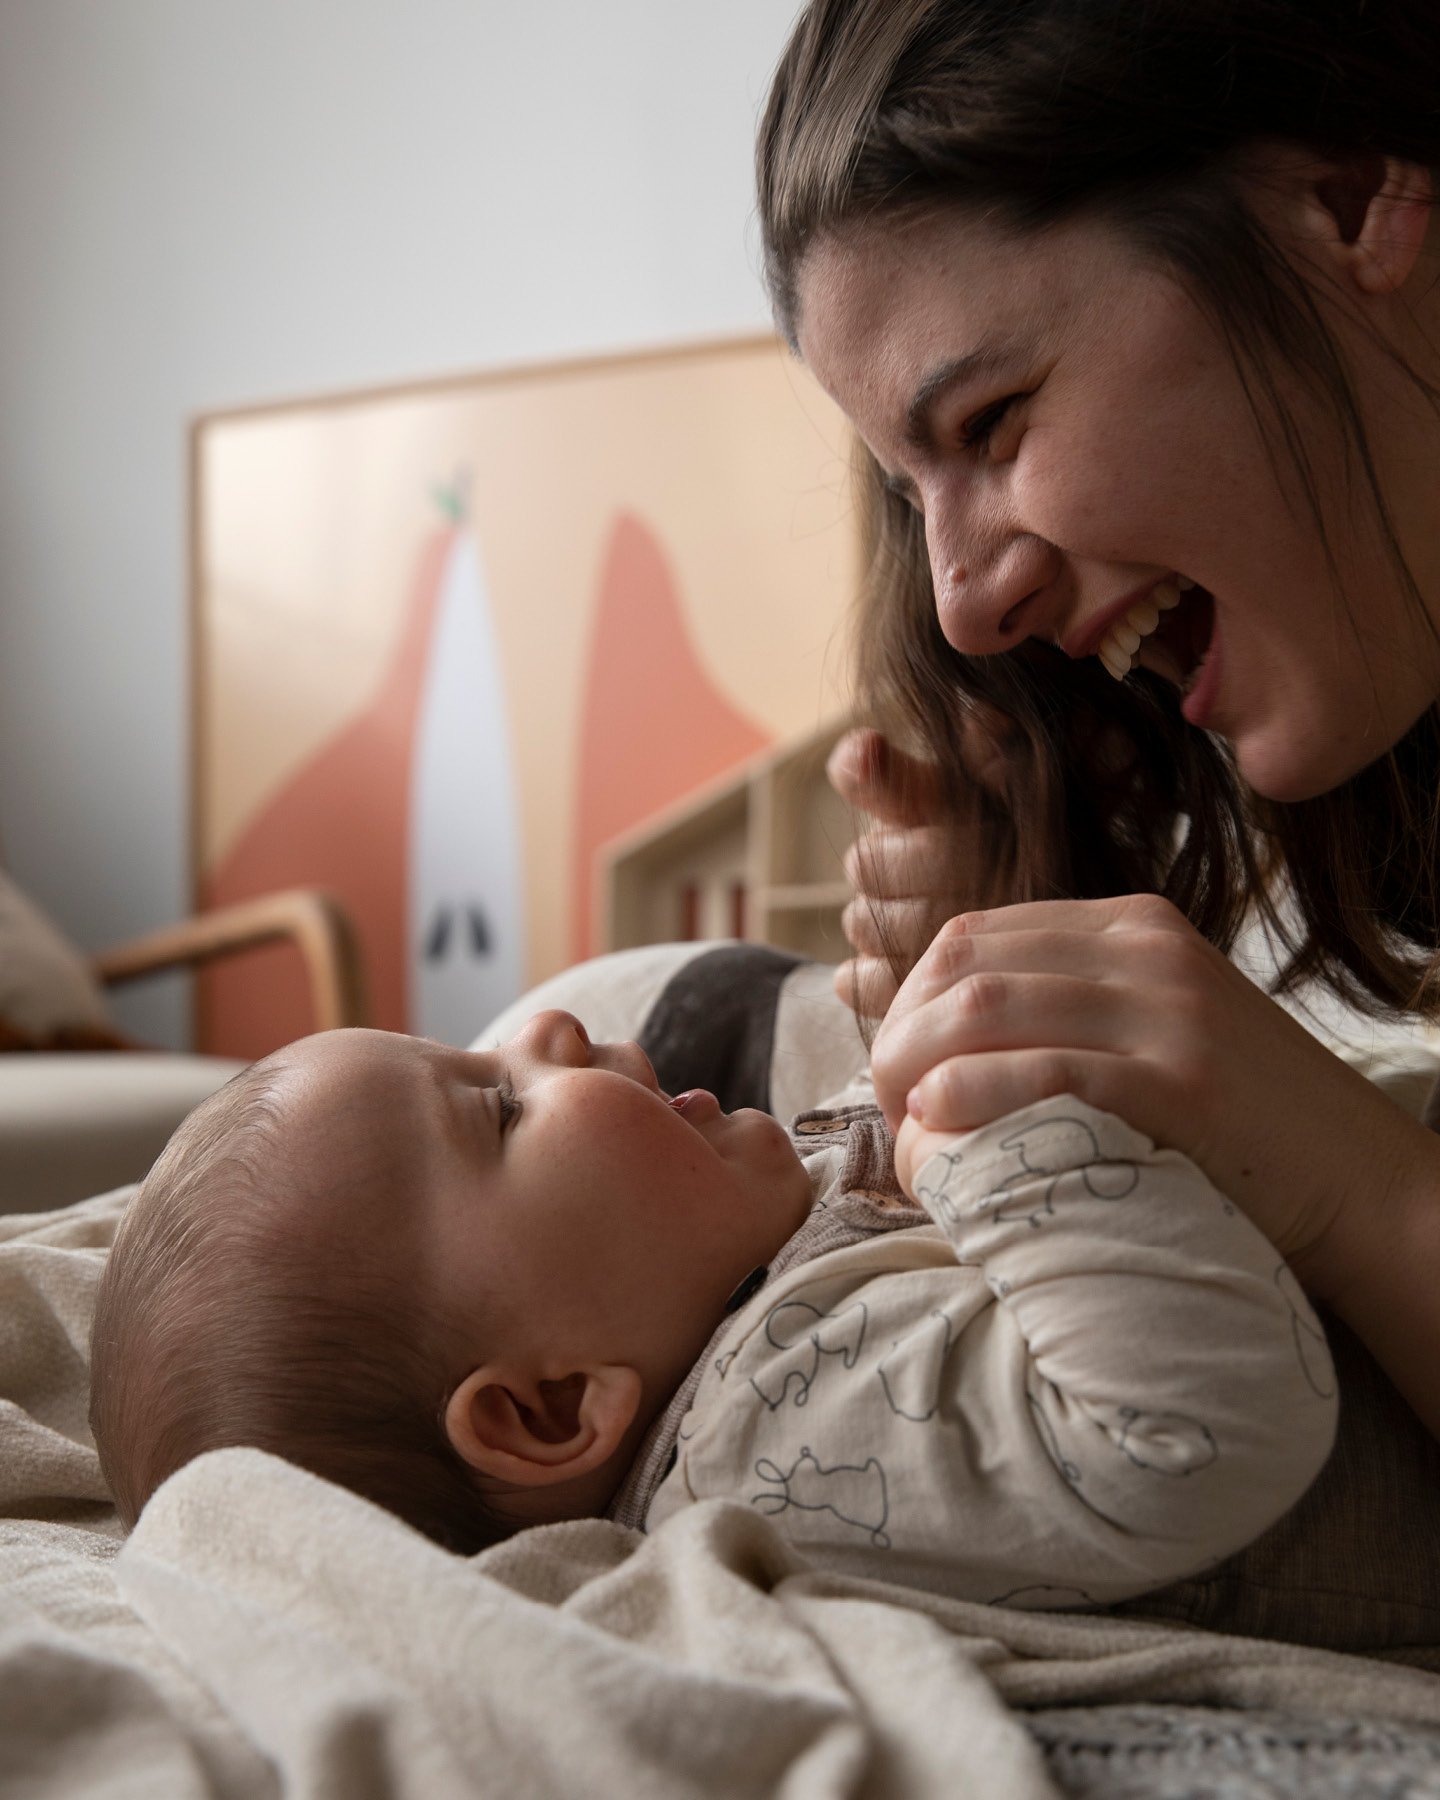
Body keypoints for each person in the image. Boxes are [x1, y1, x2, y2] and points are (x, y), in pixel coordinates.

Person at [88, 1013, 1335, 1608]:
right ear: (552, 1407)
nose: (549, 1024)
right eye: (499, 1106)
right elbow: (1195, 1423)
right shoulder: (764, 1436)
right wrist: (988, 1131)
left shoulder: (745, 1268)